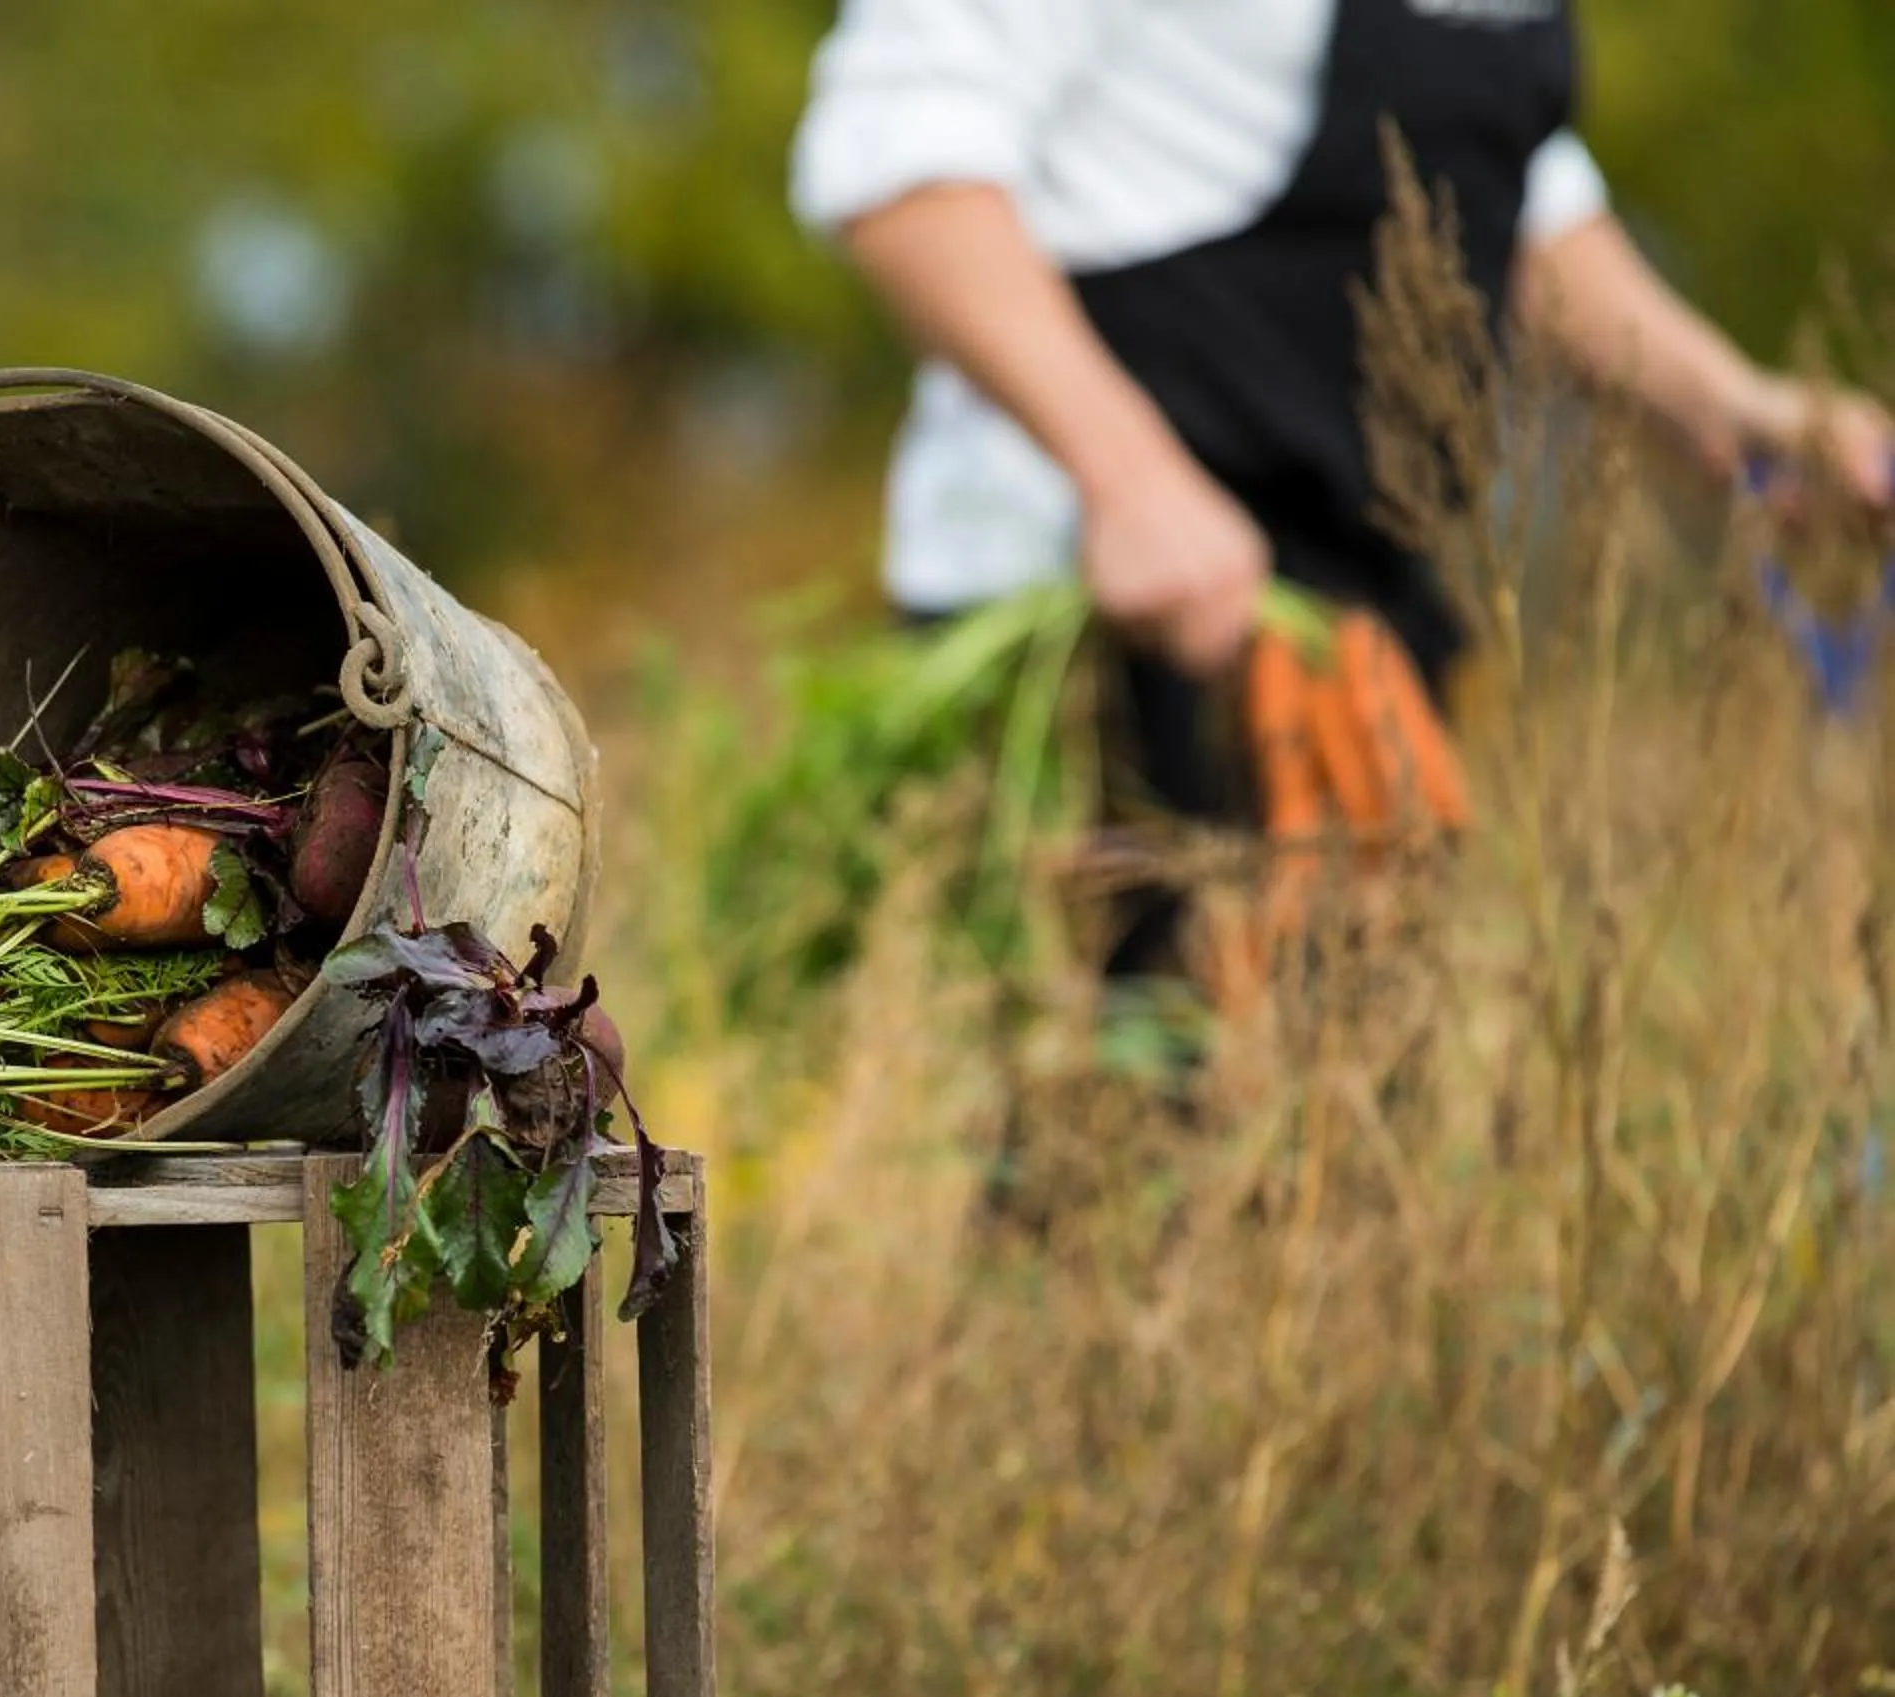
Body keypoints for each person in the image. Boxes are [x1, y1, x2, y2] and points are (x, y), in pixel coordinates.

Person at [789, 0, 1895, 988]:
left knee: (1354, 1100)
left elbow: (1515, 191)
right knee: (1122, 1128)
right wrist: (1129, 481)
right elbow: (902, 164)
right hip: (1092, 620)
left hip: (1355, 604)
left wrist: (1737, 408)